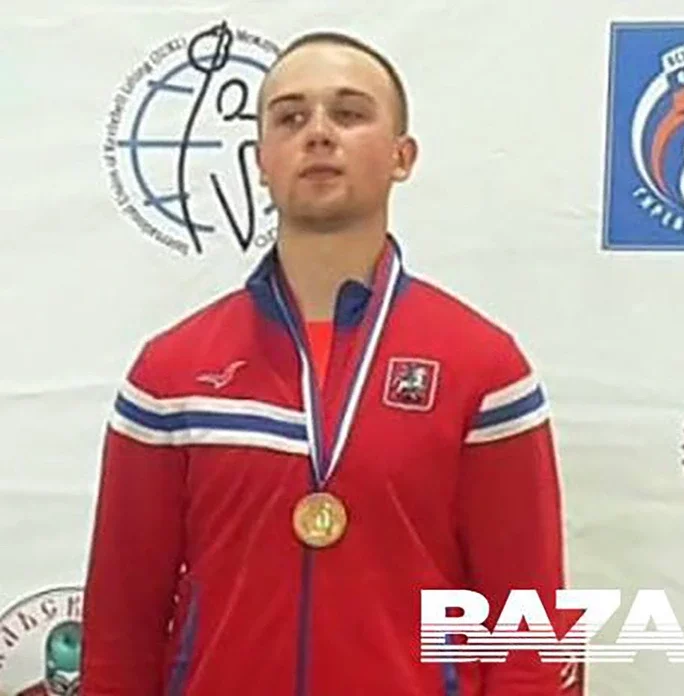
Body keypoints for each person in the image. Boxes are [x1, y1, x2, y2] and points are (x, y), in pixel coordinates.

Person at [80, 29, 580, 696]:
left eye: (349, 113)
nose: (318, 133)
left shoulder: (482, 369)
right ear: (261, 159)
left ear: (402, 156)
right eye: (291, 117)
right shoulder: (171, 376)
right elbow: (121, 625)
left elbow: (532, 631)